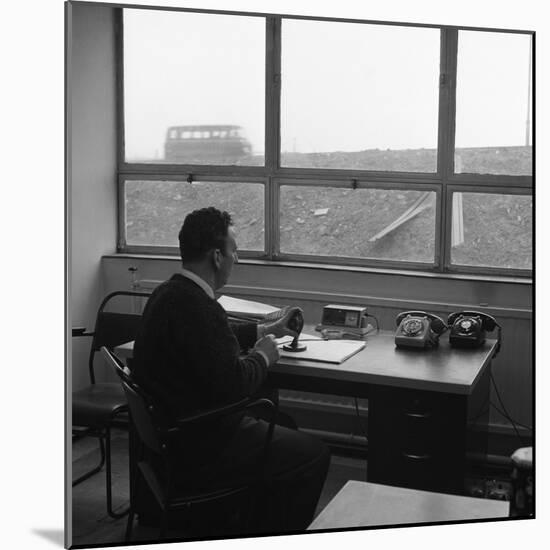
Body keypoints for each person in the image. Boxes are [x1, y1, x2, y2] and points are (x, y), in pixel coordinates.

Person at [131, 206, 330, 534]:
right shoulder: (199, 308)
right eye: (234, 250)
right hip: (202, 444)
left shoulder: (168, 294)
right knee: (315, 454)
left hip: (171, 435)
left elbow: (204, 343)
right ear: (217, 257)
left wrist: (260, 332)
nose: (237, 258)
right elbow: (236, 384)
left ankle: (246, 522)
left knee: (284, 424)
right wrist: (263, 357)